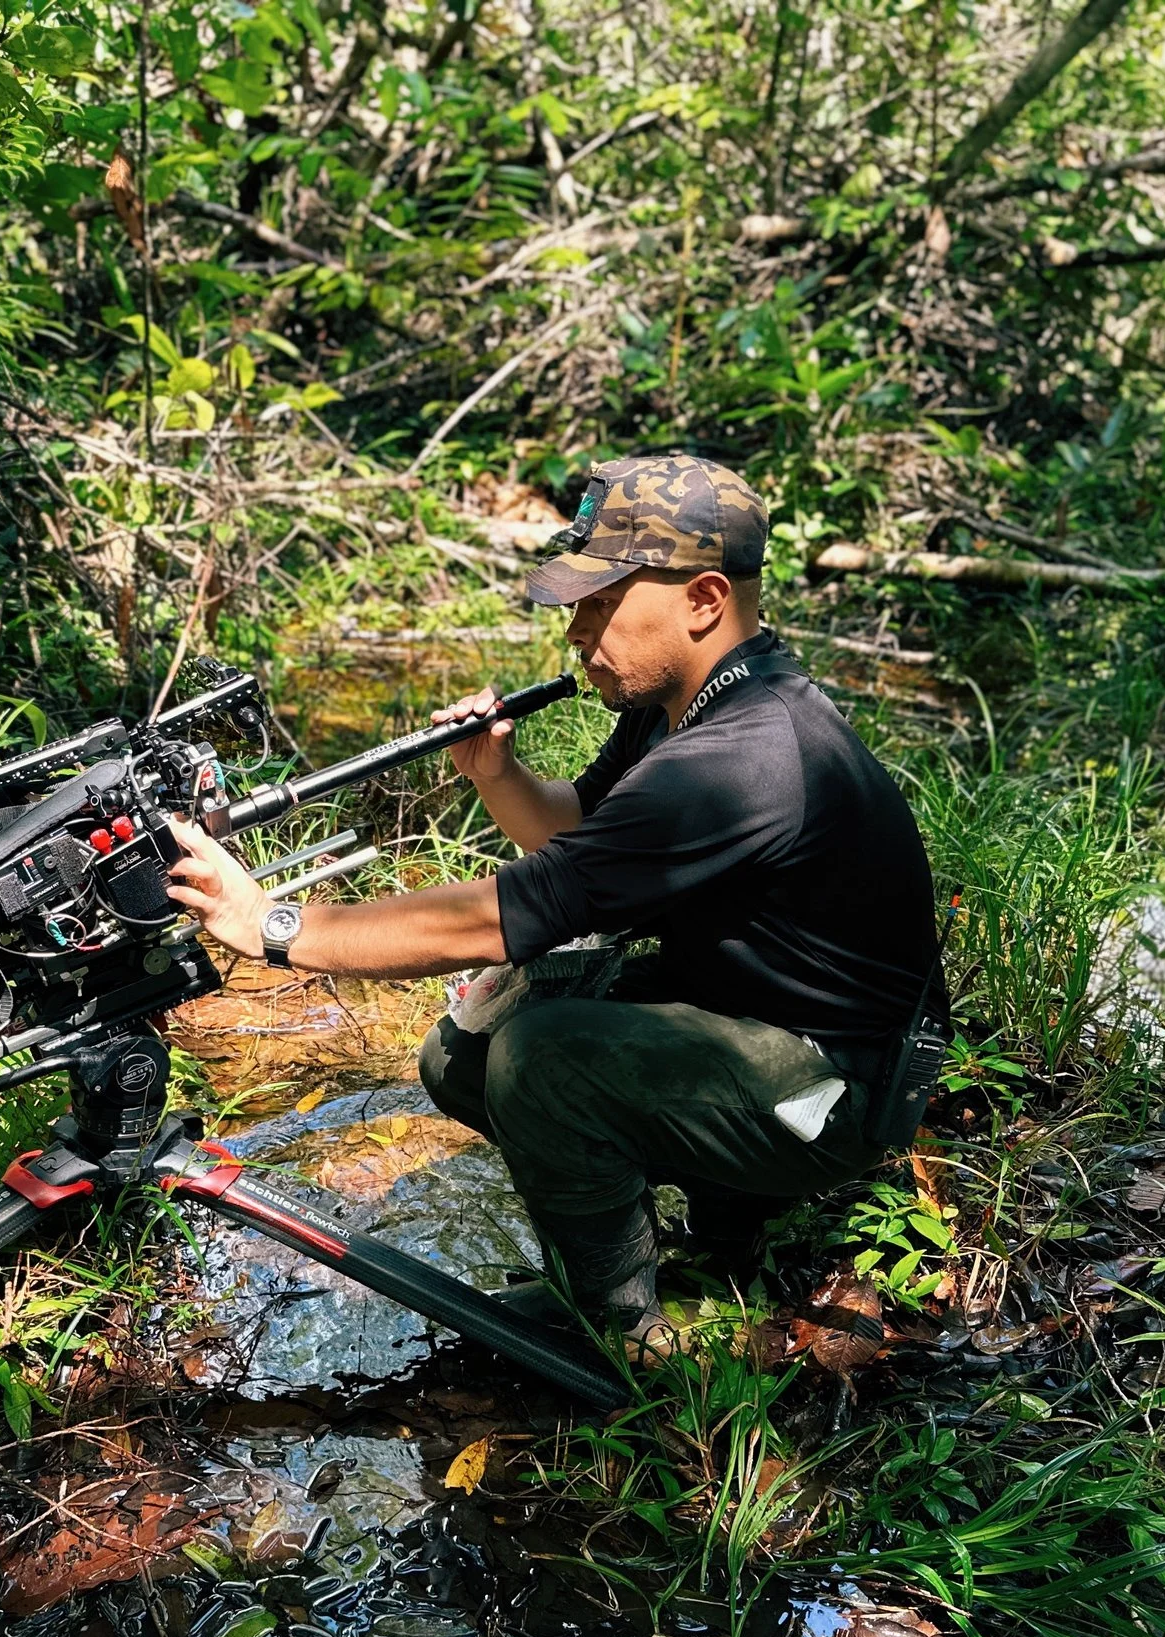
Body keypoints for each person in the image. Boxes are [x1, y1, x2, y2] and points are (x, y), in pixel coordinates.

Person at [166, 454, 946, 1343]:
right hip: (751, 1020)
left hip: (835, 1089)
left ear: (702, 599)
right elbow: (578, 832)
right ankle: (707, 1232)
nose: (577, 633)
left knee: (543, 1057)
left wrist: (272, 925)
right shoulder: (684, 703)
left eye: (603, 602)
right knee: (465, 1049)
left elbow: (502, 911)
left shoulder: (746, 757)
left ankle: (624, 1330)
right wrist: (498, 773)